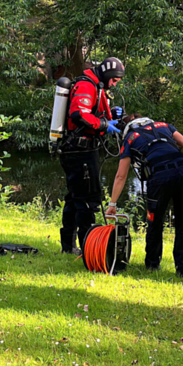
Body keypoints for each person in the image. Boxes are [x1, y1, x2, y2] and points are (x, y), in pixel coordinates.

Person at [104, 114, 183, 277]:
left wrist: (113, 204)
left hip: (159, 177)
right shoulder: (164, 126)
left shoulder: (130, 138)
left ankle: (152, 265)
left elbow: (121, 176)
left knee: (154, 221)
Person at [58, 57, 124, 254]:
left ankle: (69, 247)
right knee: (87, 200)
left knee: (74, 198)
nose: (114, 84)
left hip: (79, 149)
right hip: (80, 151)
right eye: (114, 80)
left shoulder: (95, 85)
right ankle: (88, 249)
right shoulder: (87, 85)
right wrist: (104, 124)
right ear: (107, 75)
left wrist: (110, 115)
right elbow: (79, 114)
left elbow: (91, 112)